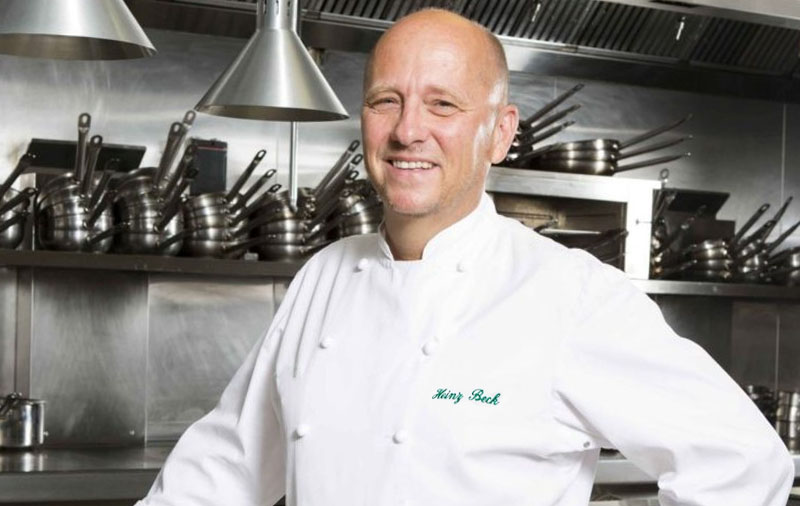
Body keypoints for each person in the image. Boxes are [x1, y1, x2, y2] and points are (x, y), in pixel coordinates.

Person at [137, 8, 794, 506]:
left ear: (499, 132)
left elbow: (743, 463)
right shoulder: (325, 277)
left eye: (442, 104)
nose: (407, 130)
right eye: (384, 101)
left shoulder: (569, 295)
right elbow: (224, 466)